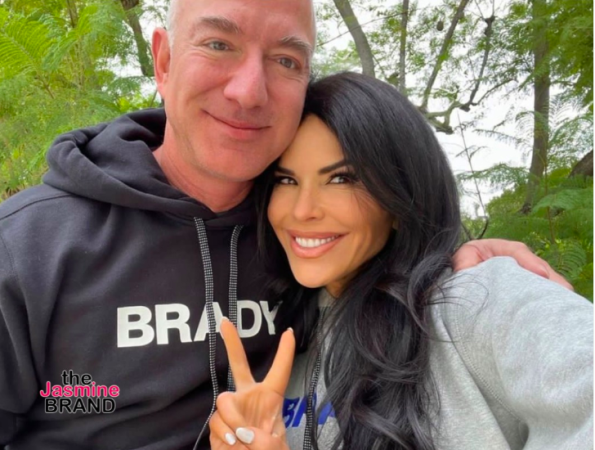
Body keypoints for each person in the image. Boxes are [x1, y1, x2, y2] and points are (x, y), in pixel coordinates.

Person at [0, 1, 572, 449]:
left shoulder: (311, 250)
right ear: (164, 60)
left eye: (286, 60)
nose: (249, 91)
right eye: (218, 43)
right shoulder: (27, 249)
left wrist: (457, 260)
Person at [208, 73, 593, 450]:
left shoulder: (476, 300)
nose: (302, 210)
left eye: (341, 179)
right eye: (286, 180)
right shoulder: (281, 336)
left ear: (400, 198)